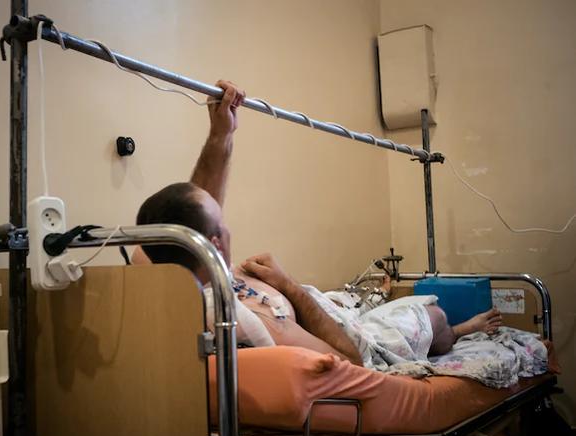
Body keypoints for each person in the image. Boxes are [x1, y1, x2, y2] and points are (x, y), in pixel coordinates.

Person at [135, 80, 503, 367]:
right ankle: (459, 332)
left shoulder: (160, 263)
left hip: (332, 308)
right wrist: (287, 285)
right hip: (351, 335)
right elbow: (350, 362)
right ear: (214, 244)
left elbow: (193, 215)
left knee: (396, 303)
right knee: (434, 316)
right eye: (221, 220)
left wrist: (222, 135)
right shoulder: (258, 320)